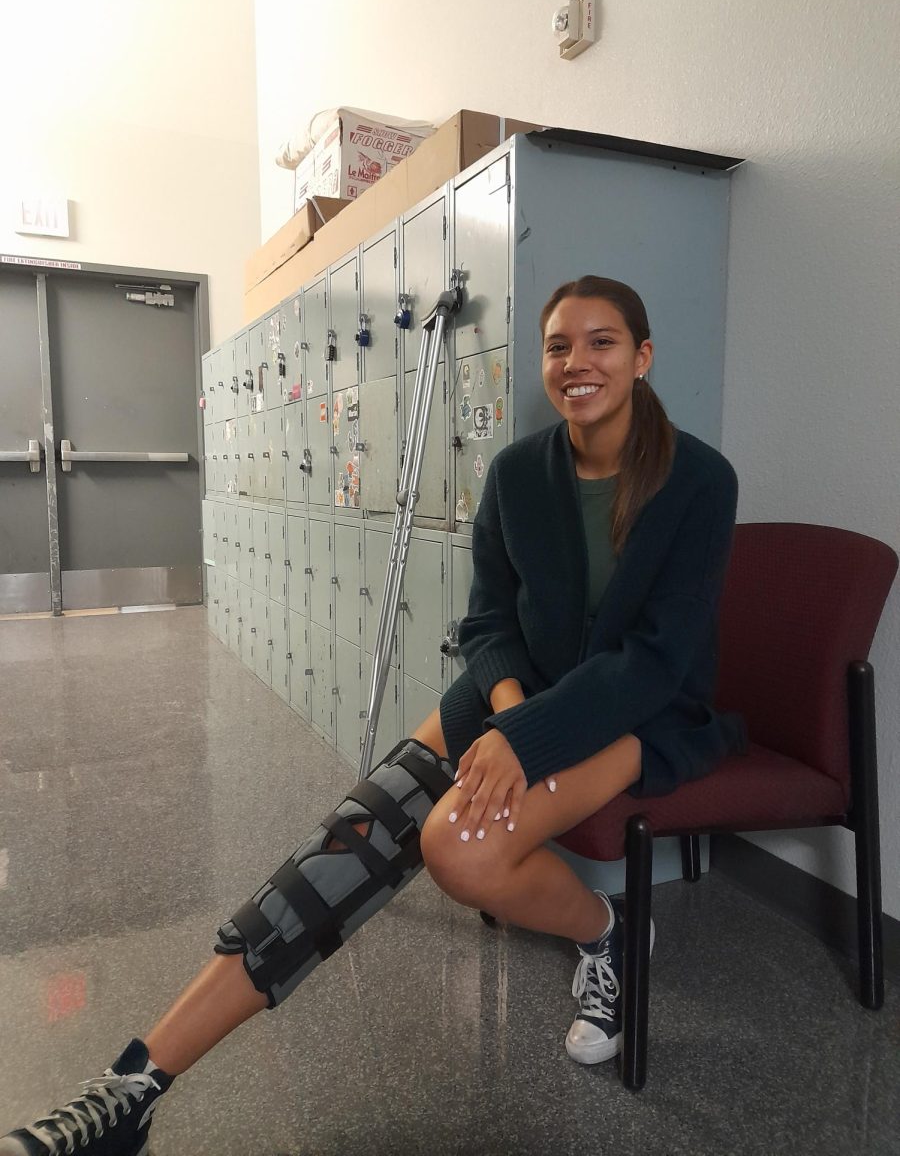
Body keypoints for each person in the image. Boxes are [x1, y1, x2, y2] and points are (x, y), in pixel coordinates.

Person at [1, 275, 748, 1156]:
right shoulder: (517, 473)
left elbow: (658, 659)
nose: (577, 362)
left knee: (455, 850)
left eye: (602, 342)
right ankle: (135, 1086)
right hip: (524, 694)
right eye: (558, 346)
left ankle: (611, 935)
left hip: (643, 716)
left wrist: (525, 735)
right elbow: (488, 624)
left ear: (642, 356)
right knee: (352, 842)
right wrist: (509, 713)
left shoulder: (699, 479)